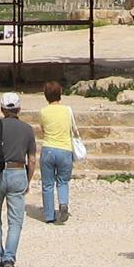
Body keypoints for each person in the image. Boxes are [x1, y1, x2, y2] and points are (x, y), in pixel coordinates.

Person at [0, 91, 36, 267]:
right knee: (15, 220)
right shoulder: (27, 129)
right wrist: (28, 180)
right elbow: (32, 159)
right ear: (19, 108)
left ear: (2, 108)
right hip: (18, 172)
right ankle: (9, 258)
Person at [37, 81, 76, 223]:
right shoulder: (67, 110)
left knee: (47, 184)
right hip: (65, 149)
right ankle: (63, 203)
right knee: (63, 181)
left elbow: (43, 129)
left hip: (48, 148)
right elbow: (72, 129)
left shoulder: (43, 111)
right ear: (60, 93)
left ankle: (49, 215)